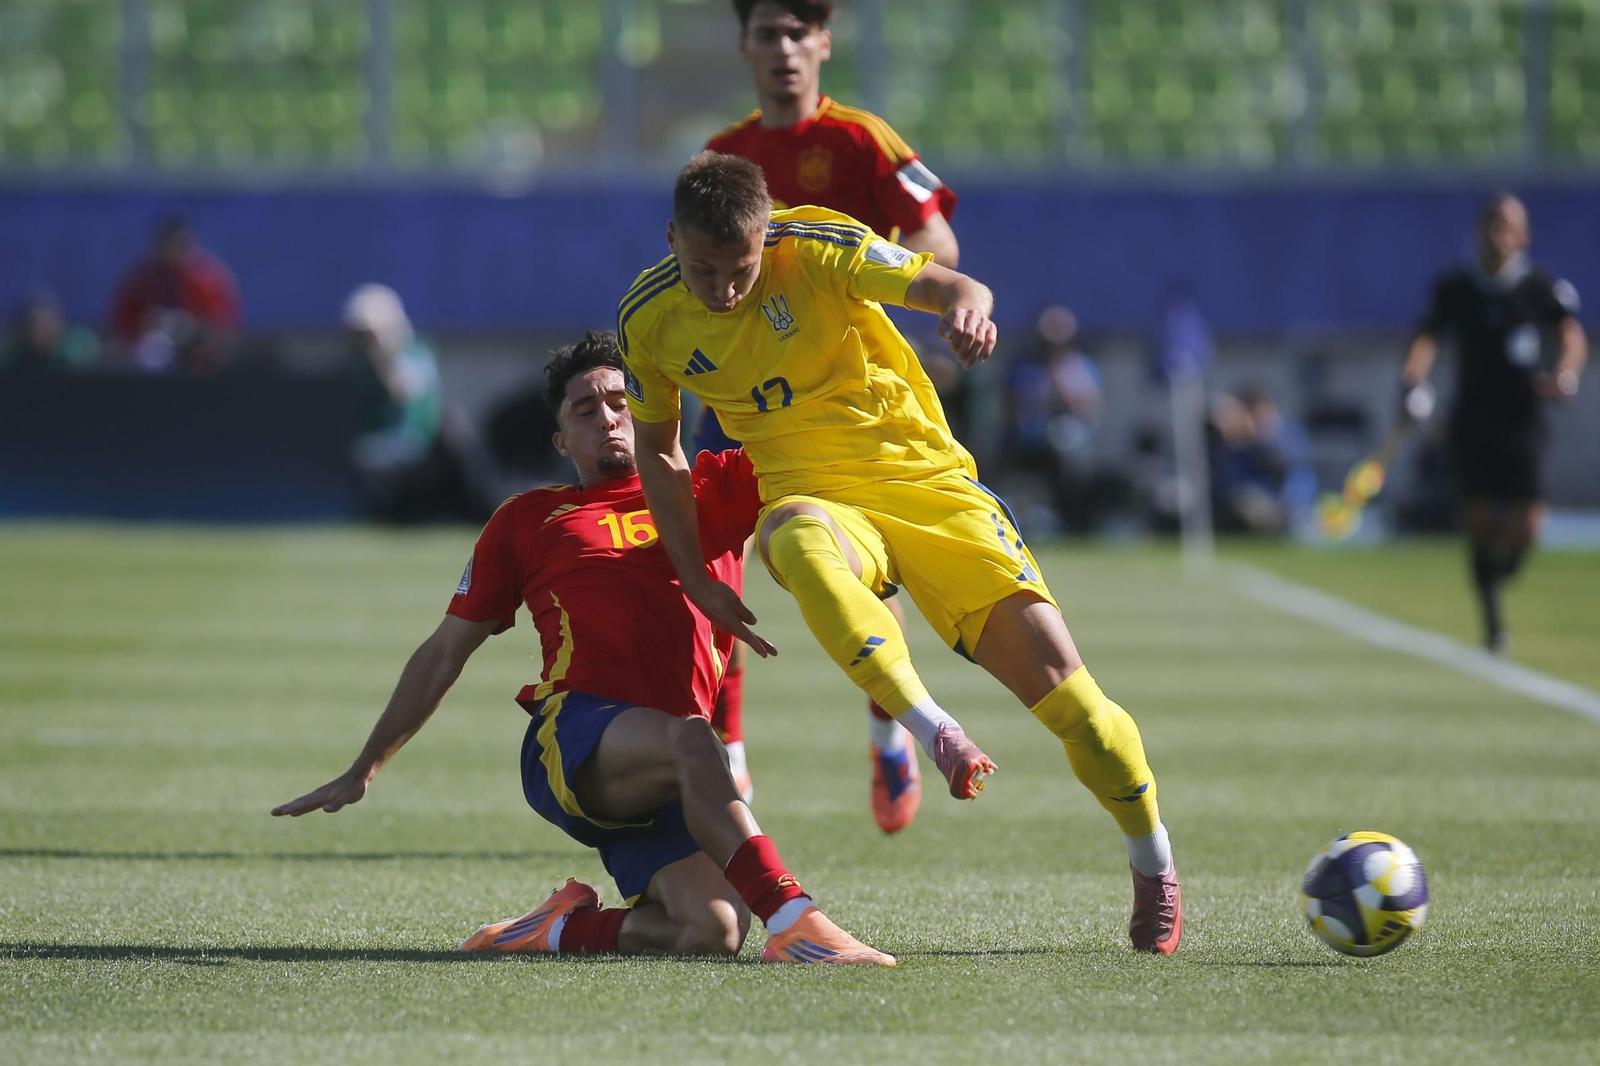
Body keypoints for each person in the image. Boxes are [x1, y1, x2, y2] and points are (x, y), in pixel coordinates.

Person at [619, 152, 1182, 953]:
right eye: (703, 269)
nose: (724, 289)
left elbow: (955, 286)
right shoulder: (648, 319)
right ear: (672, 239)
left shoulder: (815, 247)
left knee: (1078, 710)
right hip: (815, 497)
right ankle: (931, 730)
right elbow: (659, 449)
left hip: (929, 489)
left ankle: (1152, 859)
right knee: (795, 542)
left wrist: (968, 313)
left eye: (740, 270)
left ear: (766, 237)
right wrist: (692, 576)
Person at [272, 330, 894, 966]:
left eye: (621, 403)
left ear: (654, 412)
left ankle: (555, 930)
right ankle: (796, 923)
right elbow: (444, 652)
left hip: (668, 764)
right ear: (561, 441)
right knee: (692, 741)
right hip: (575, 738)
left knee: (712, 932)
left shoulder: (712, 489)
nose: (607, 418)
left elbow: (818, 460)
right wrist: (366, 767)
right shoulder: (526, 520)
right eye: (585, 410)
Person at [697, 0, 962, 832]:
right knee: (708, 572)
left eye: (796, 33)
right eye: (767, 33)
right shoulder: (723, 156)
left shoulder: (862, 141)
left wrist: (872, 284)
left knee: (864, 577)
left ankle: (890, 732)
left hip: (842, 402)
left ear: (823, 43)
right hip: (741, 397)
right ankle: (727, 756)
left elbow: (938, 243)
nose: (783, 48)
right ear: (744, 44)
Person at [1400, 192, 1587, 652]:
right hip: (1473, 418)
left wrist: (1565, 374)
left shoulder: (1537, 286)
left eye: (1508, 226)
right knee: (1479, 520)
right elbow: (1426, 338)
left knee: (1527, 527)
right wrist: (1413, 383)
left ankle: (1499, 574)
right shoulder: (1457, 287)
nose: (1499, 234)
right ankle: (1493, 624)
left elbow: (1571, 335)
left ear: (1524, 235)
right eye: (1492, 224)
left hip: (1523, 419)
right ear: (1479, 230)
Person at [106, 214, 241, 374]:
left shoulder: (207, 279)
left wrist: (189, 329)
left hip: (198, 360)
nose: (174, 250)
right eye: (169, 243)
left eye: (180, 244)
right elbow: (121, 326)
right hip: (149, 358)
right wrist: (148, 325)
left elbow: (224, 330)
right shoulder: (142, 279)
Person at [2, 291, 100, 374]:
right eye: (34, 324)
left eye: (45, 324)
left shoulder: (78, 350)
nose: (39, 330)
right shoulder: (13, 354)